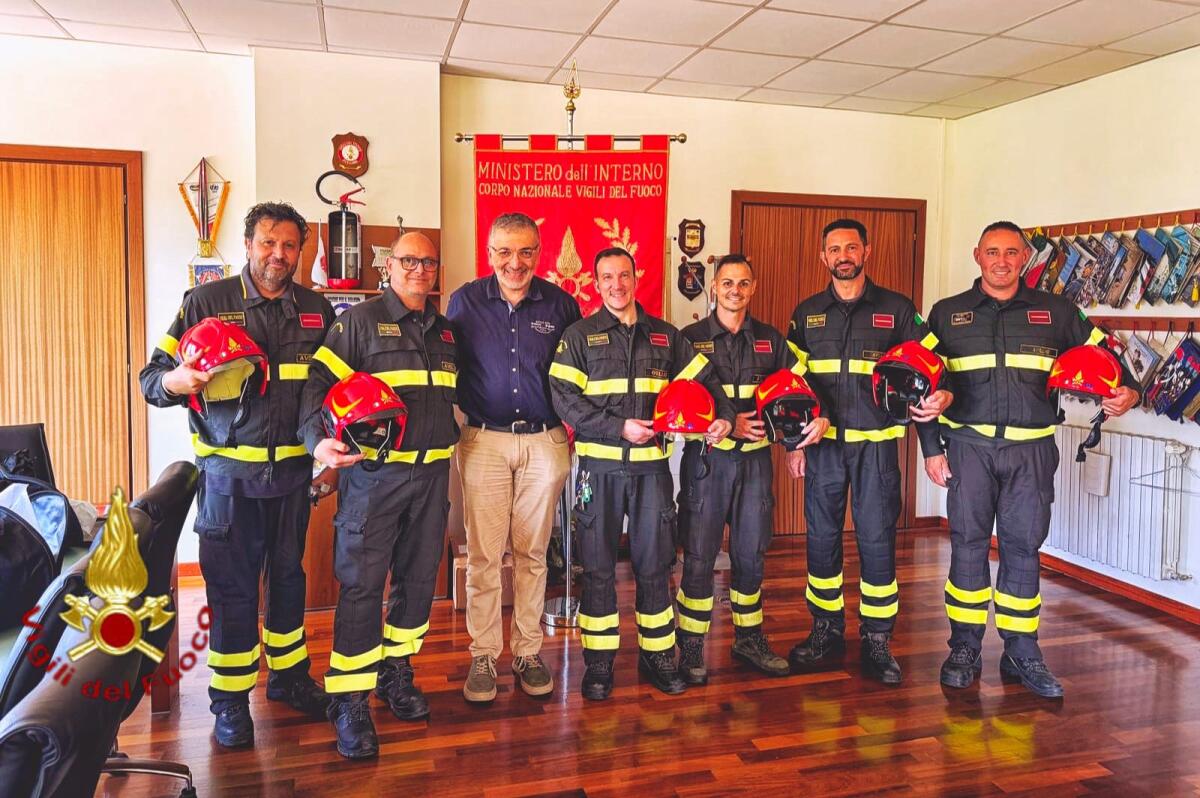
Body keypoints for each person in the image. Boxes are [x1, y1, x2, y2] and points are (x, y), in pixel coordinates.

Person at [139, 202, 333, 748]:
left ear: (302, 251)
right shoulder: (206, 302)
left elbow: (331, 393)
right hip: (227, 484)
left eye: (290, 245)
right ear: (248, 245)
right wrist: (179, 380)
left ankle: (290, 679)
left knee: (290, 581)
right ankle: (229, 702)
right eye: (268, 243)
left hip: (294, 479)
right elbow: (151, 380)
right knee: (232, 591)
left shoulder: (318, 311)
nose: (278, 255)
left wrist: (329, 458)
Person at [921, 220, 1139, 698]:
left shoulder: (1057, 312)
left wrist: (1129, 390)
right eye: (992, 252)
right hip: (969, 448)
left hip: (1031, 452)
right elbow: (920, 380)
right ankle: (964, 648)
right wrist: (932, 449)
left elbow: (1111, 357)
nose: (1002, 261)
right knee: (969, 545)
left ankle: (1023, 651)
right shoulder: (946, 313)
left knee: (1023, 548)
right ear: (976, 255)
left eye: (1012, 252)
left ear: (1025, 258)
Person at [549, 247, 734, 699]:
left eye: (624, 275)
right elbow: (563, 398)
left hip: (653, 472)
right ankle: (598, 664)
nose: (616, 284)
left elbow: (708, 382)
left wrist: (723, 416)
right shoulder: (578, 336)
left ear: (637, 278)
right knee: (596, 569)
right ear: (596, 283)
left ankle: (658, 656)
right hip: (599, 469)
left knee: (655, 565)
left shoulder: (666, 338)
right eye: (607, 277)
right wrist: (617, 427)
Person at [301, 232, 457, 759]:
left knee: (416, 584)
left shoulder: (446, 331)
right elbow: (315, 386)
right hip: (375, 480)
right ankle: (349, 700)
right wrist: (316, 443)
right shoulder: (359, 322)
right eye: (409, 260)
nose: (419, 269)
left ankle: (396, 672)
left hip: (433, 478)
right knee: (363, 587)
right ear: (389, 265)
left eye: (428, 262)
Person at [785, 218, 951, 685]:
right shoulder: (806, 313)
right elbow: (792, 385)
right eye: (834, 248)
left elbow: (931, 374)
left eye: (851, 247)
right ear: (823, 257)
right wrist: (791, 444)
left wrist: (933, 445)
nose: (843, 255)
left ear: (866, 252)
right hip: (824, 450)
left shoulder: (899, 310)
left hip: (876, 450)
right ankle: (826, 630)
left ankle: (877, 639)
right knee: (820, 539)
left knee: (877, 542)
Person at [446, 213, 580, 702]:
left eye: (525, 252)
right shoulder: (464, 301)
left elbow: (577, 373)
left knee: (533, 552)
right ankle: (483, 654)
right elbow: (445, 361)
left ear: (539, 252)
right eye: (504, 251)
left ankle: (527, 651)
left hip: (546, 442)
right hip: (484, 440)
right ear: (489, 253)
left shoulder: (562, 304)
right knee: (484, 555)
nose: (514, 262)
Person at [674, 254, 811, 684]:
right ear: (714, 287)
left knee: (751, 553)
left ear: (753, 288)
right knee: (699, 555)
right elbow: (679, 400)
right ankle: (692, 644)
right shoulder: (689, 339)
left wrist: (791, 441)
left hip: (754, 463)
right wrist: (728, 422)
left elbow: (798, 391)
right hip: (707, 462)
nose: (735, 290)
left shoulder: (771, 340)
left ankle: (748, 637)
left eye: (744, 283)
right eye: (728, 283)